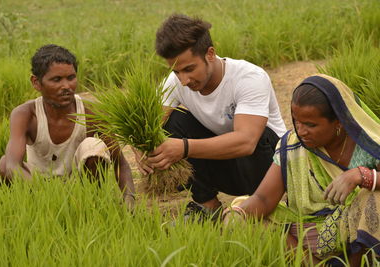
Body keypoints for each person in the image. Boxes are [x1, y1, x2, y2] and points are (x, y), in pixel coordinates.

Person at [135, 14, 286, 219]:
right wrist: (141, 150)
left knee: (255, 134)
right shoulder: (175, 82)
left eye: (189, 69)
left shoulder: (249, 78)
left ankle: (258, 209)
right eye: (176, 71)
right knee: (173, 122)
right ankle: (209, 208)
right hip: (228, 166)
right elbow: (146, 125)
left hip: (272, 169)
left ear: (210, 54)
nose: (184, 80)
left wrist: (183, 148)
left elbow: (247, 142)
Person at [223, 74, 380, 266]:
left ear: (339, 120)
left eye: (310, 125)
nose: (300, 130)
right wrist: (236, 214)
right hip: (308, 237)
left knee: (374, 198)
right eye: (296, 121)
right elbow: (264, 199)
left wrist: (361, 176)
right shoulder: (292, 146)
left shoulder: (367, 144)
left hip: (356, 235)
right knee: (246, 211)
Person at [0, 44, 135, 205]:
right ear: (36, 82)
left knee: (95, 146)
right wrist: (51, 198)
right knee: (4, 162)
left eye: (71, 78)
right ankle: (20, 207)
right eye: (56, 80)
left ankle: (92, 203)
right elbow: (12, 165)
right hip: (36, 185)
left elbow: (120, 162)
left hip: (78, 188)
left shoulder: (92, 112)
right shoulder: (26, 114)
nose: (66, 86)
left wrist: (129, 199)